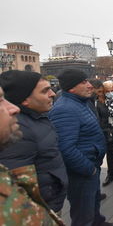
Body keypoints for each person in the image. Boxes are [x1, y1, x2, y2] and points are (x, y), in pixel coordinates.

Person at [49, 69, 113, 226]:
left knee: (93, 204)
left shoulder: (81, 102)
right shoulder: (64, 109)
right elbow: (65, 148)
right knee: (82, 215)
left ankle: (98, 222)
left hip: (91, 166)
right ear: (72, 87)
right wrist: (89, 169)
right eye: (84, 82)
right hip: (82, 173)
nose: (89, 85)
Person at [0, 70, 68, 213]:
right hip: (40, 209)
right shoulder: (16, 130)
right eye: (45, 91)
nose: (53, 94)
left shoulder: (38, 116)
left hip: (50, 201)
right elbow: (17, 190)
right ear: (25, 100)